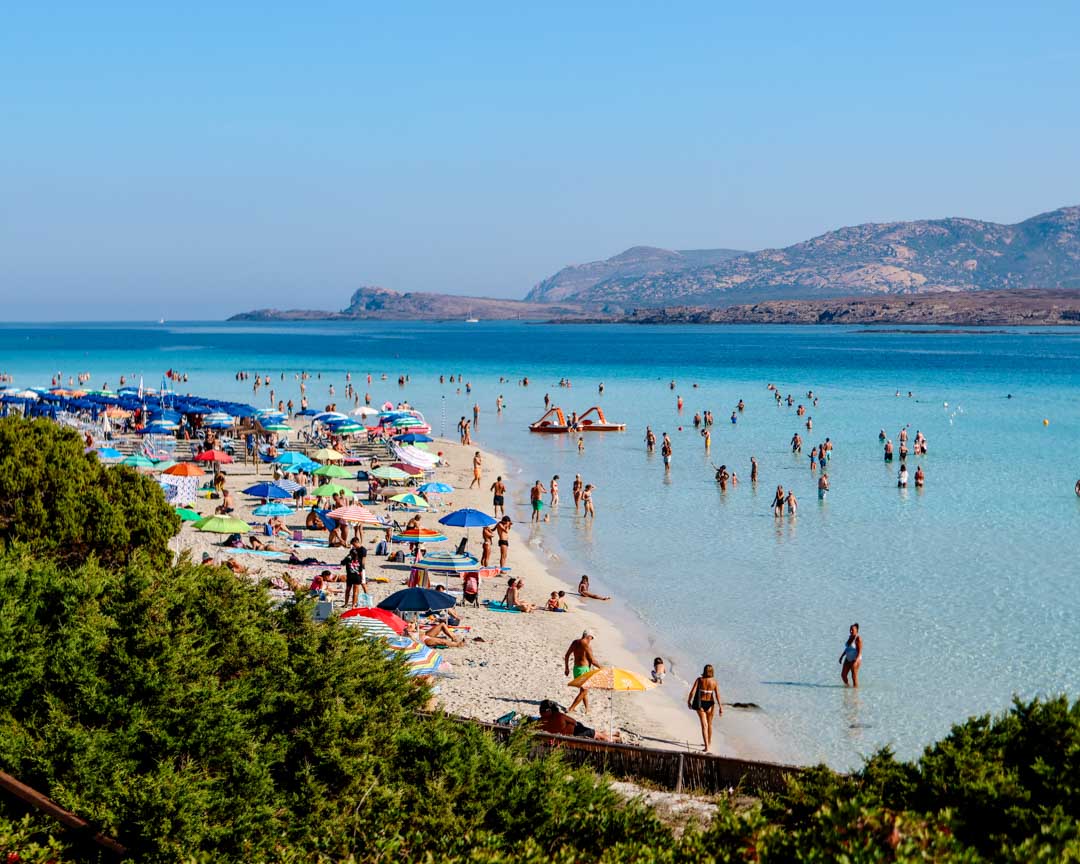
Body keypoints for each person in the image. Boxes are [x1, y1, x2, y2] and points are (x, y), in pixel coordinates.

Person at [687, 664, 722, 751]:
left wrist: (689, 701)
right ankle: (709, 742)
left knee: (704, 725)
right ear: (712, 671)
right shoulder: (714, 682)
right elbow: (717, 695)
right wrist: (720, 706)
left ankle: (706, 747)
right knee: (709, 724)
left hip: (701, 704)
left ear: (704, 671)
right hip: (710, 703)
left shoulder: (699, 680)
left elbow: (692, 692)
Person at [537, 699, 611, 740]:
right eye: (541, 710)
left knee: (596, 733)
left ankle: (610, 735)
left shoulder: (539, 721)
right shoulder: (559, 716)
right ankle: (612, 738)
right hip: (576, 734)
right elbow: (574, 722)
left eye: (542, 710)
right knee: (597, 734)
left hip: (574, 733)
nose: (541, 712)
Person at [564, 631, 599, 713]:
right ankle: (571, 708)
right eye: (591, 638)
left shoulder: (575, 642)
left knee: (583, 690)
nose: (591, 640)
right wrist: (602, 668)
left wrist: (566, 668)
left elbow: (567, 655)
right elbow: (593, 661)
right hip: (583, 670)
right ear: (588, 636)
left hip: (576, 669)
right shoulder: (586, 645)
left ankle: (587, 709)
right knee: (584, 691)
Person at [342, 539, 367, 608]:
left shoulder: (348, 559)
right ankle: (353, 605)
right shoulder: (359, 560)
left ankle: (346, 603)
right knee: (355, 591)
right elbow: (361, 566)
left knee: (348, 590)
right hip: (358, 575)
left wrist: (347, 557)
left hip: (350, 576)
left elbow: (342, 563)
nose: (353, 546)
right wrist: (361, 575)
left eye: (354, 544)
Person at [839, 623, 862, 687]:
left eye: (852, 630)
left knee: (854, 677)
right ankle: (847, 686)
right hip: (848, 658)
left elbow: (859, 652)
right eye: (850, 629)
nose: (851, 631)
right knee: (843, 675)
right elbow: (847, 648)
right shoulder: (850, 637)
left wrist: (856, 661)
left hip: (855, 659)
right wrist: (842, 656)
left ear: (856, 630)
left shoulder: (858, 639)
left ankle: (855, 693)